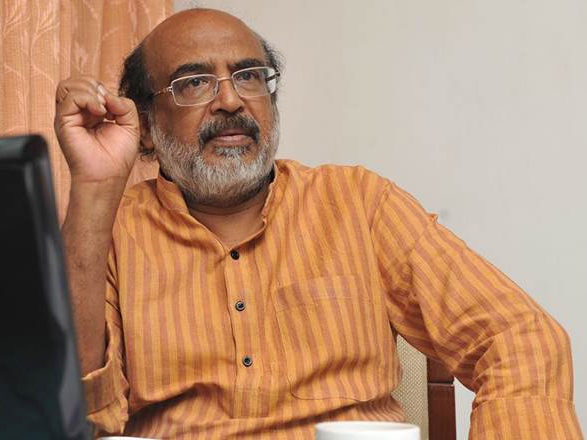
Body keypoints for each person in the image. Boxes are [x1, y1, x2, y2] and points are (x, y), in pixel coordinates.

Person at [54, 8, 583, 439]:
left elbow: (520, 337)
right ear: (146, 126)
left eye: (249, 76)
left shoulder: (359, 203)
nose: (231, 100)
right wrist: (95, 191)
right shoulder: (110, 233)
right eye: (194, 82)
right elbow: (71, 412)